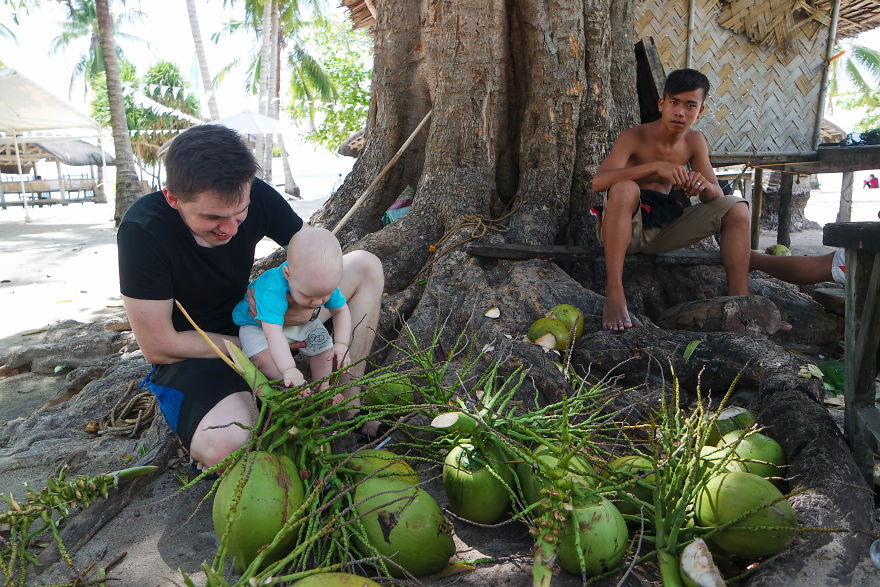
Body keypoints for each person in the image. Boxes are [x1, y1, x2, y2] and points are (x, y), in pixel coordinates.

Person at [117, 124, 384, 470]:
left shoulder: (256, 193)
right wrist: (255, 346)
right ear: (173, 199)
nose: (228, 229)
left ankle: (348, 406)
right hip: (196, 351)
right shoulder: (143, 230)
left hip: (259, 318)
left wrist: (285, 302)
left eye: (239, 214)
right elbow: (158, 345)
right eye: (212, 217)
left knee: (365, 266)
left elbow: (306, 251)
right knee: (224, 445)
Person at [591, 68, 751, 331]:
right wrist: (654, 167)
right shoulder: (635, 136)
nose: (680, 112)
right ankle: (615, 292)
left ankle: (740, 305)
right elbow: (599, 182)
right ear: (662, 104)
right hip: (623, 232)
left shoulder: (694, 142)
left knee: (737, 209)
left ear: (700, 111)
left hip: (662, 230)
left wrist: (700, 185)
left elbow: (716, 197)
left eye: (690, 105)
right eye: (674, 103)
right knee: (624, 188)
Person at [232, 227, 351, 393]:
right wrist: (288, 368)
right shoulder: (272, 289)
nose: (317, 302)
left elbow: (341, 310)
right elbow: (273, 334)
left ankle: (323, 387)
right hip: (259, 326)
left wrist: (341, 343)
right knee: (261, 356)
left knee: (324, 346)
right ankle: (294, 386)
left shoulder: (323, 283)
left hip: (298, 322)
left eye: (325, 295)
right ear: (288, 274)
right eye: (307, 295)